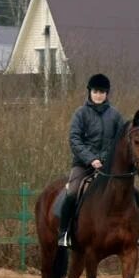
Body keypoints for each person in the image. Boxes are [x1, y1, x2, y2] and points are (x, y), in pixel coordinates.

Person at [58, 73, 124, 248]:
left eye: (102, 92)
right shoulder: (80, 113)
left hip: (108, 166)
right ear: (90, 92)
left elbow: (121, 141)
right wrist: (91, 159)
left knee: (133, 193)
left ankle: (131, 232)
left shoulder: (116, 115)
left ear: (107, 94)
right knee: (72, 193)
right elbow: (74, 139)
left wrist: (104, 159)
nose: (99, 95)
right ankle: (64, 233)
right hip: (83, 164)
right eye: (96, 91)